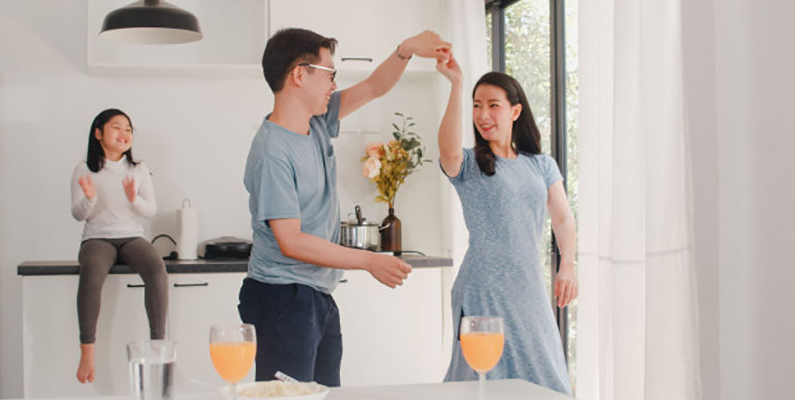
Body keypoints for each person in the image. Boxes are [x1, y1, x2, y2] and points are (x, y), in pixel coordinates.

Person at [239, 28, 450, 387]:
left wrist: (405, 50)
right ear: (299, 75)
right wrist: (369, 261)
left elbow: (374, 87)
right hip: (281, 297)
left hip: (316, 294)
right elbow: (291, 241)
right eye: (329, 74)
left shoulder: (317, 122)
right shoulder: (273, 151)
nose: (334, 84)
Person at [435, 55, 578, 394]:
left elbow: (562, 218)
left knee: (547, 376)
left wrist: (568, 264)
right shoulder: (469, 164)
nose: (483, 115)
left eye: (493, 105)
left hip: (528, 288)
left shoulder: (541, 165)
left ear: (515, 111)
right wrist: (456, 83)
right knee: (483, 383)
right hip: (482, 291)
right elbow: (448, 151)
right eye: (477, 106)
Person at [70, 109, 168, 384]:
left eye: (128, 129)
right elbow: (78, 214)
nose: (124, 133)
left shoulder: (138, 169)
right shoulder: (84, 169)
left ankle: (158, 345)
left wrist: (134, 199)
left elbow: (150, 210)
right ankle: (87, 350)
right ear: (98, 133)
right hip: (97, 237)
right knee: (91, 271)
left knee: (156, 268)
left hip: (131, 236)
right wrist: (90, 198)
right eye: (117, 127)